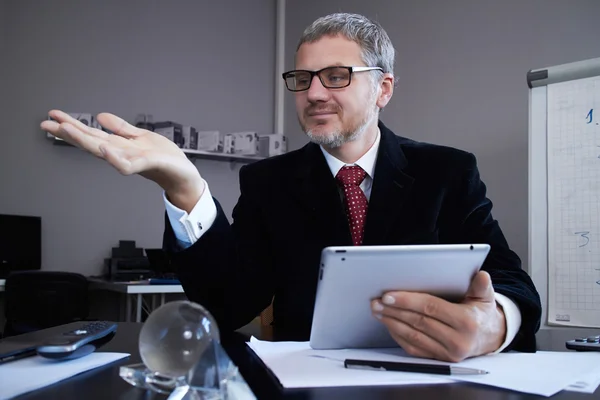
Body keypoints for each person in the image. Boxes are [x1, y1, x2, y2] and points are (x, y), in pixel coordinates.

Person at [41, 12, 541, 362]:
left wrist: (493, 324)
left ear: (383, 88)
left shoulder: (448, 172)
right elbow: (227, 304)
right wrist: (186, 187)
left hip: (431, 381)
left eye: (336, 76)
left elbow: (514, 285)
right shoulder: (269, 183)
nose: (314, 93)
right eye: (302, 79)